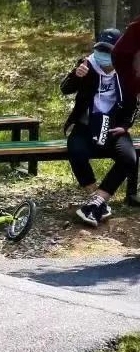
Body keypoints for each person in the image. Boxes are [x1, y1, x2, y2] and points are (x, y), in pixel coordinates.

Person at [62, 28, 136, 226]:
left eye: (109, 52)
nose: (104, 56)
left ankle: (98, 201)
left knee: (129, 158)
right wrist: (76, 75)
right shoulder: (86, 65)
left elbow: (132, 104)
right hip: (86, 126)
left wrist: (125, 125)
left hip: (113, 127)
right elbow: (65, 89)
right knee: (76, 151)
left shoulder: (126, 72)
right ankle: (97, 200)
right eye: (101, 50)